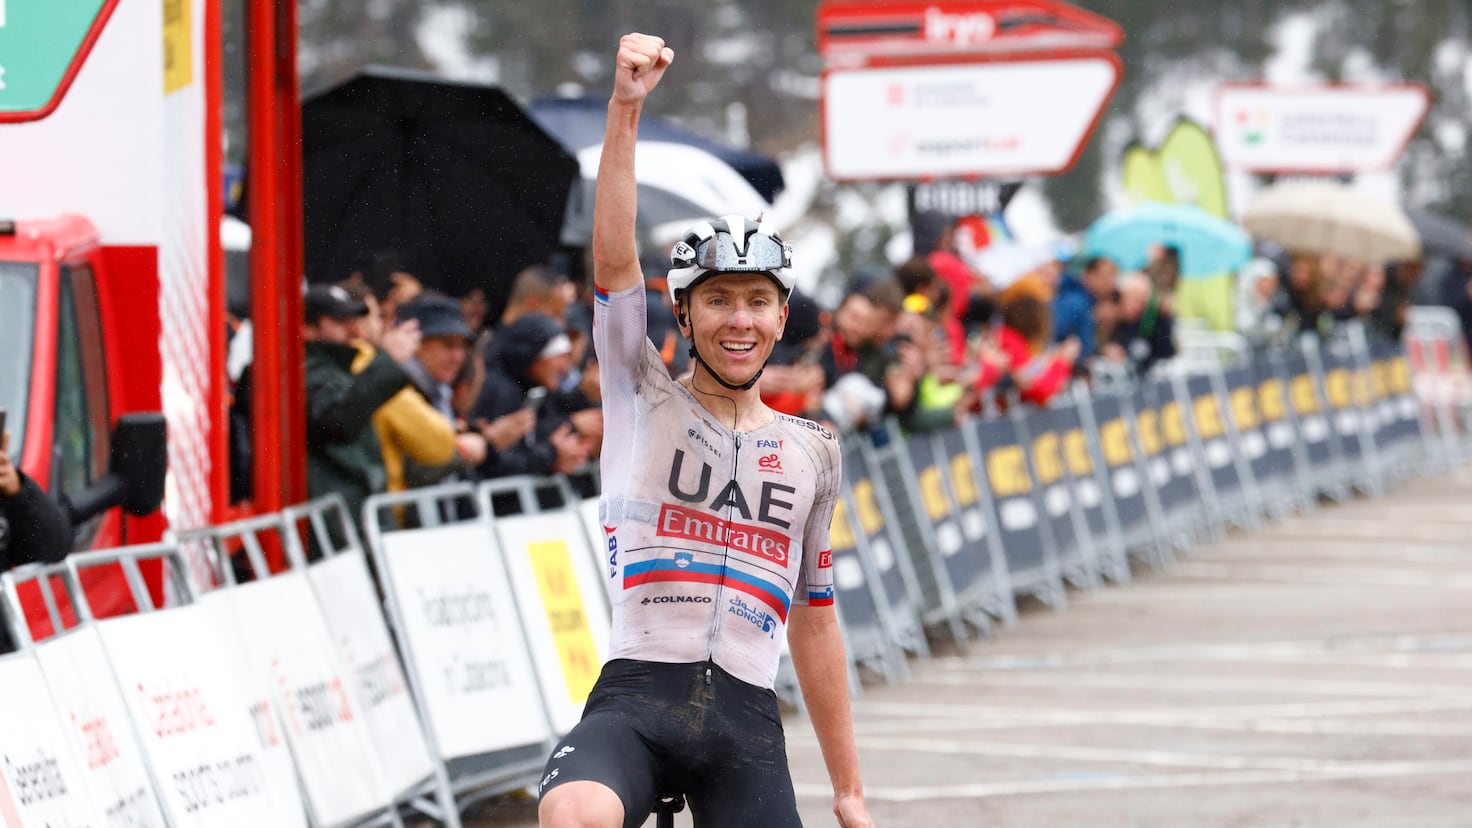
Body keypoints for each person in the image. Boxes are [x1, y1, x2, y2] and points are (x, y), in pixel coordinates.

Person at [537, 33, 872, 828]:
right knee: (574, 812)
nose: (739, 320)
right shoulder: (639, 394)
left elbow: (816, 620)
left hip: (745, 725)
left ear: (781, 318)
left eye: (757, 301)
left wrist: (849, 791)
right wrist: (626, 109)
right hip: (636, 699)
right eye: (718, 299)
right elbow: (613, 262)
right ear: (683, 315)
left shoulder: (813, 451)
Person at [302, 283, 419, 532]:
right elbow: (338, 421)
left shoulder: (334, 368)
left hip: (353, 519)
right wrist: (387, 363)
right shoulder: (304, 369)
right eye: (339, 321)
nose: (354, 330)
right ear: (307, 328)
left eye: (353, 320)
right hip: (338, 524)